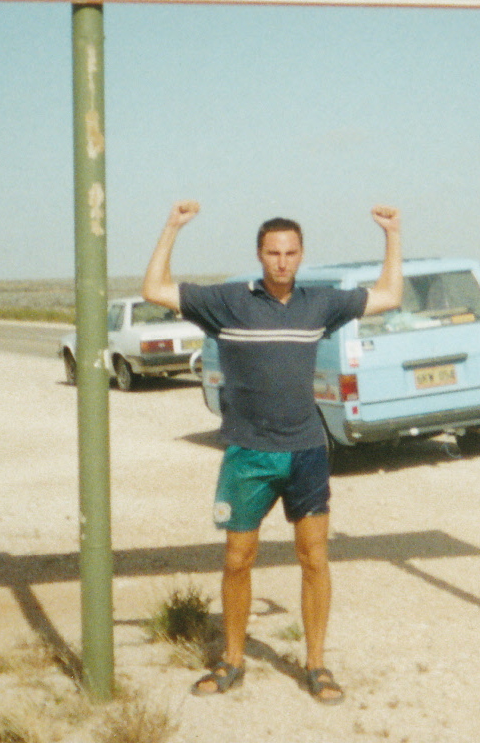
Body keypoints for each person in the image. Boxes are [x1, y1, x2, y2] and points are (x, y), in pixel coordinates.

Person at [141, 199, 403, 705]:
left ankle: (316, 664)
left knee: (314, 558)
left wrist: (392, 234)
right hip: (249, 454)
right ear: (260, 254)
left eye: (290, 252)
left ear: (301, 255)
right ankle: (233, 660)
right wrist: (172, 226)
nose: (282, 262)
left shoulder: (319, 304)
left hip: (306, 451)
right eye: (273, 253)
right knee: (237, 559)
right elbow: (154, 288)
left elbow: (390, 295)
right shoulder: (227, 302)